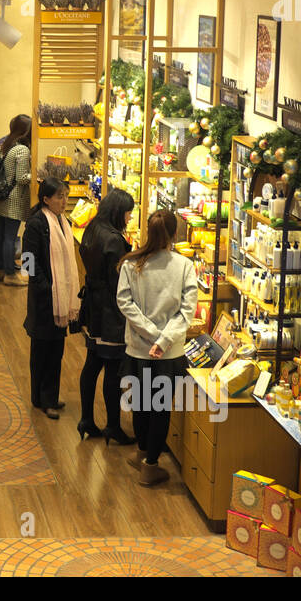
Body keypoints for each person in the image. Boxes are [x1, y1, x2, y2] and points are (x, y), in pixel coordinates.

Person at [116, 208, 197, 486]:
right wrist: (163, 340)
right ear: (175, 234)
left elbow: (125, 302)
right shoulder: (184, 266)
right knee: (160, 407)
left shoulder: (132, 263)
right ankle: (151, 464)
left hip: (138, 349)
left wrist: (150, 335)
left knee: (139, 403)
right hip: (169, 353)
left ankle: (141, 453)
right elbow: (187, 312)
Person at [76, 188, 136, 444]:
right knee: (113, 369)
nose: (129, 218)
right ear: (118, 212)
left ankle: (87, 419)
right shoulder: (114, 240)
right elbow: (118, 282)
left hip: (93, 307)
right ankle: (113, 425)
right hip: (110, 312)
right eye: (128, 213)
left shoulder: (93, 228)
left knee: (92, 363)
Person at [22, 177, 81, 419]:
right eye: (59, 196)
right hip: (45, 300)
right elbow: (28, 261)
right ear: (46, 199)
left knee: (55, 350)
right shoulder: (37, 223)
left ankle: (46, 397)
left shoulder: (61, 221)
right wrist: (45, 287)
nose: (64, 201)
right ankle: (43, 399)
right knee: (42, 351)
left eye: (66, 195)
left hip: (60, 299)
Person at [0, 114, 32, 286]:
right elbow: (21, 178)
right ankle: (11, 275)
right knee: (9, 238)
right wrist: (35, 176)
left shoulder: (3, 145)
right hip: (12, 200)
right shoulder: (22, 150)